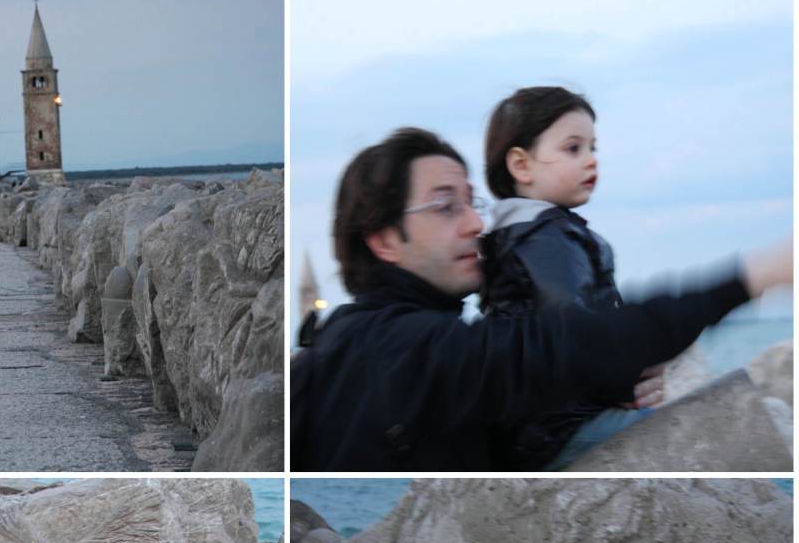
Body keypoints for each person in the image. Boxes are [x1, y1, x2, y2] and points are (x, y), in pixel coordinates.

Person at [293, 127, 793, 471]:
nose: (475, 223)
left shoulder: (349, 339)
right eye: (446, 206)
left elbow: (535, 369)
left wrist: (606, 382)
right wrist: (755, 276)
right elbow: (562, 344)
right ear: (383, 239)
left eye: (473, 202)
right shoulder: (403, 346)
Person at [481, 86, 650, 469]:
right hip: (555, 430)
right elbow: (572, 324)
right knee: (673, 431)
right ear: (521, 166)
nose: (591, 161)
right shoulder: (543, 237)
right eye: (573, 149)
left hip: (539, 425)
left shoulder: (522, 234)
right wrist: (621, 381)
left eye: (593, 148)